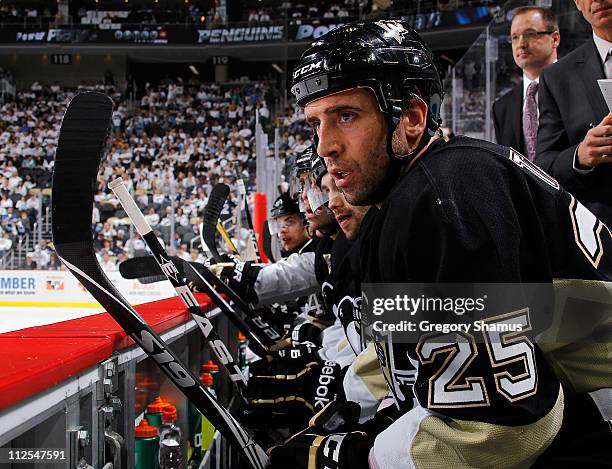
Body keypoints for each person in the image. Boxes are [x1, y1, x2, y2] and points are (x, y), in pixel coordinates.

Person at [268, 18, 612, 468]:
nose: (325, 146)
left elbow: (507, 425)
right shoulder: (416, 193)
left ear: (411, 118)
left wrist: (361, 456)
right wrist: (347, 402)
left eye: (346, 116)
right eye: (315, 124)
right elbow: (411, 348)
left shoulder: (444, 195)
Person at [536, 0, 612, 227]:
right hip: (603, 237)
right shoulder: (557, 77)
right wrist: (581, 156)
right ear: (578, 3)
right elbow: (544, 165)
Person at [492, 6, 559, 159]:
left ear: (555, 39)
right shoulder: (501, 107)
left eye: (530, 34)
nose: (521, 44)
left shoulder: (578, 87)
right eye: (514, 37)